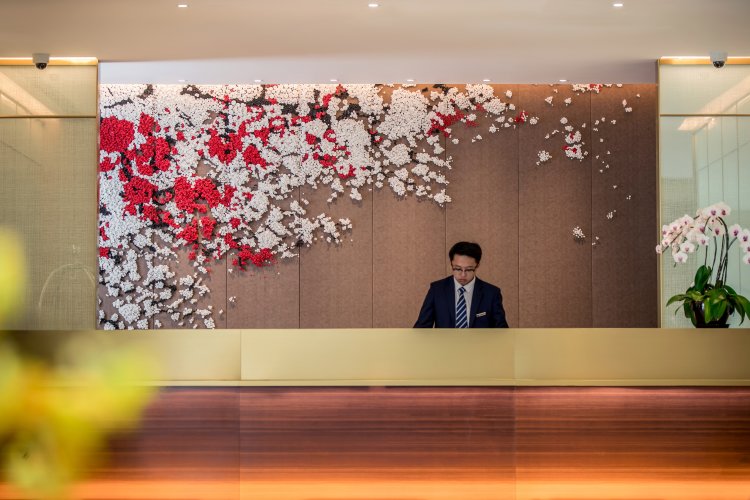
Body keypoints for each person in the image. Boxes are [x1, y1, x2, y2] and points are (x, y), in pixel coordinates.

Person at [414, 241, 509, 328]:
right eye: (458, 269)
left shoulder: (492, 293)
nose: (463, 275)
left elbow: (502, 331)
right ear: (451, 264)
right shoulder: (437, 290)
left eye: (469, 269)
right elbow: (421, 328)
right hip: (445, 342)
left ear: (477, 265)